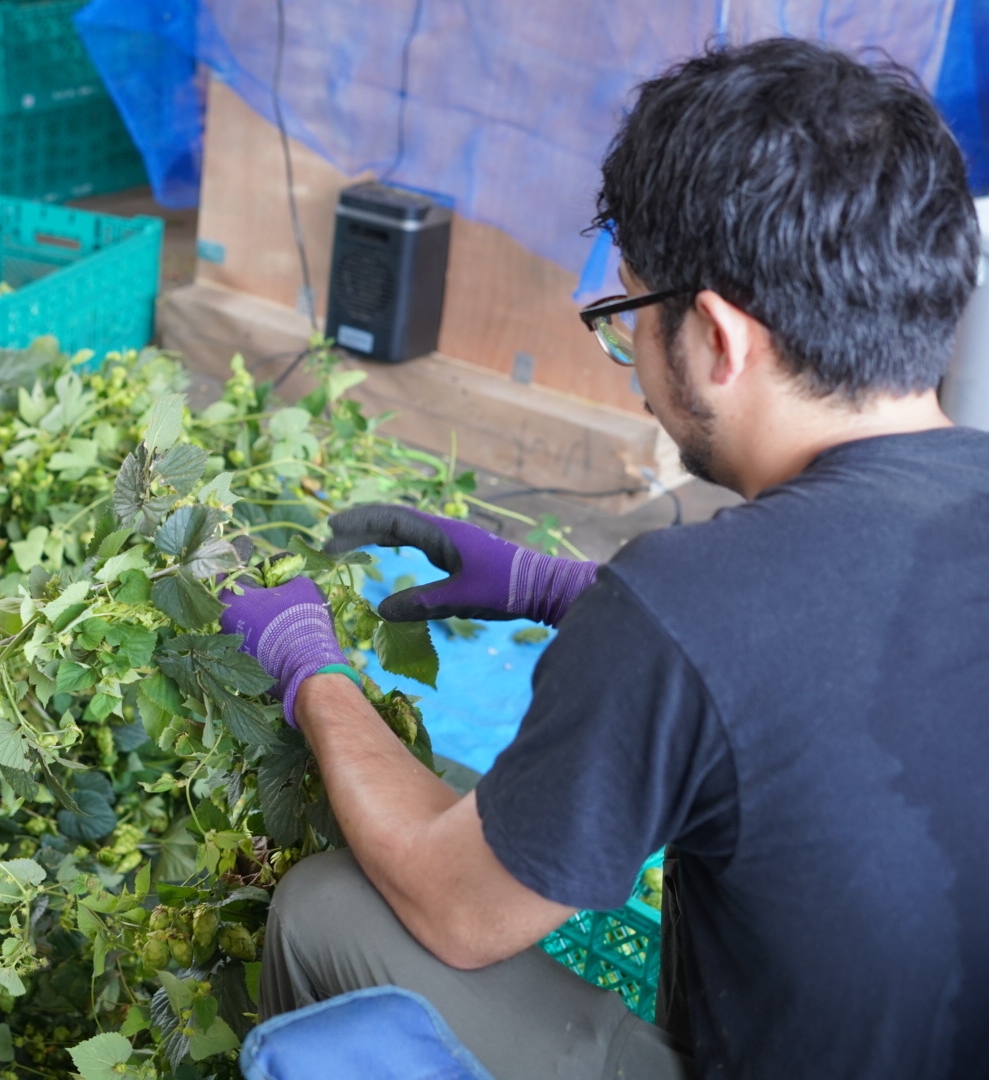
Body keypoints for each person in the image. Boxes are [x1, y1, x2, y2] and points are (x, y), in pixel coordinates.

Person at [220, 37, 989, 1080]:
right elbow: (845, 644)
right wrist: (557, 588)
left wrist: (312, 671)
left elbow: (454, 914)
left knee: (329, 907)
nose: (629, 367)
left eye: (625, 319)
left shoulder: (690, 602)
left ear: (716, 339)